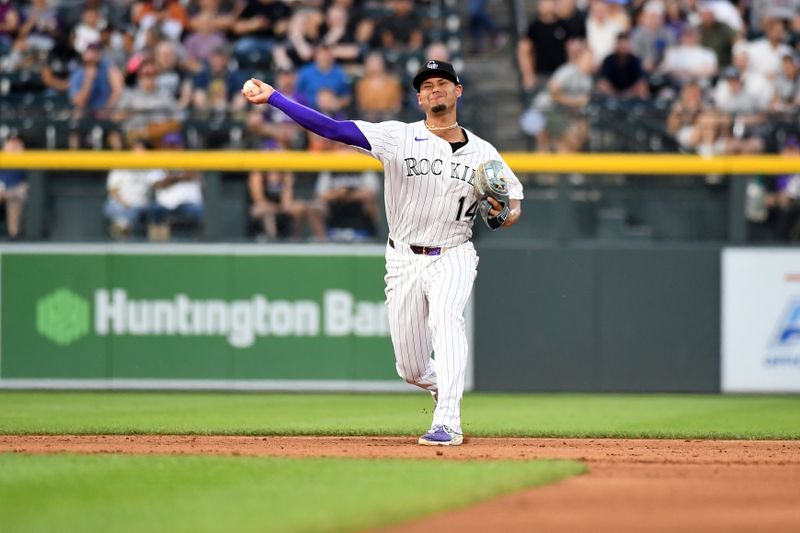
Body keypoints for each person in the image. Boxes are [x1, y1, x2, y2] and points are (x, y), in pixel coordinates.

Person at [242, 59, 524, 446]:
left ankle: (447, 422)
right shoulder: (398, 137)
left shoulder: (484, 153)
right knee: (410, 368)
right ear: (419, 97)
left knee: (447, 319)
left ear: (458, 91)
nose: (434, 89)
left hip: (454, 251)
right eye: (427, 85)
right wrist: (275, 97)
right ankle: (447, 387)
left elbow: (512, 208)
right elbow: (332, 129)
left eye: (442, 82)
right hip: (404, 256)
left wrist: (501, 213)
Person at [0, 135, 28, 240]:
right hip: (1, 189)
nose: (13, 146)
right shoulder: (2, 157)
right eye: (11, 143)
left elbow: (27, 183)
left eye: (16, 144)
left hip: (15, 191)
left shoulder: (27, 159)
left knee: (16, 196)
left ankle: (14, 235)